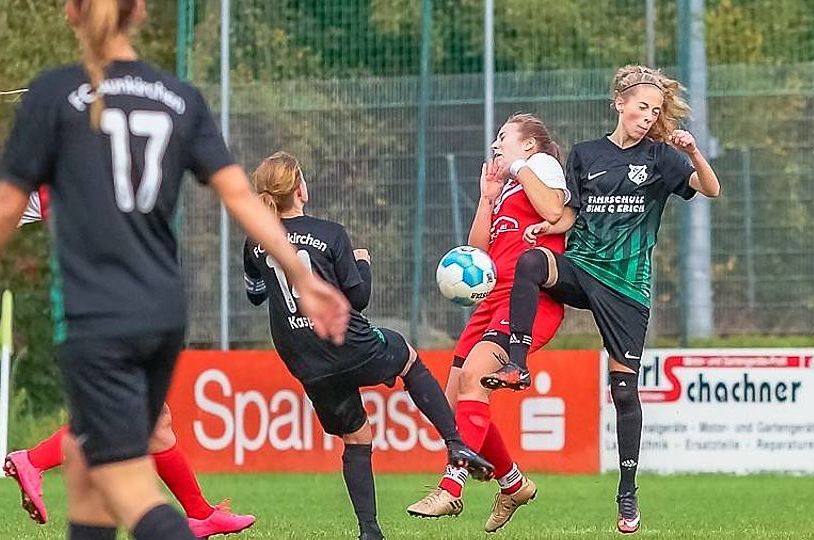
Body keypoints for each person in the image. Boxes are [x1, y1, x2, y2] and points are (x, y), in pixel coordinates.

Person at [0, 2, 350, 539]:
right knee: (109, 459)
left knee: (112, 476)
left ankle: (169, 513)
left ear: (71, 13)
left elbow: (1, 205)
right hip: (162, 311)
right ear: (140, 13)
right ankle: (198, 513)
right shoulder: (179, 98)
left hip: (96, 314)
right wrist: (303, 277)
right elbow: (240, 196)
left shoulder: (55, 95)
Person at [0, 116, 255, 536]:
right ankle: (33, 461)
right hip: (113, 308)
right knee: (121, 414)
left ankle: (199, 513)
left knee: (154, 419)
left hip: (95, 307)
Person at [484, 64, 721, 534]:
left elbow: (711, 189)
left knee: (624, 391)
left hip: (626, 287)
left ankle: (627, 493)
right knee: (532, 262)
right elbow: (571, 213)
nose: (648, 117)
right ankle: (516, 364)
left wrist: (694, 153)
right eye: (642, 107)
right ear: (619, 104)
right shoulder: (586, 154)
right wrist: (547, 226)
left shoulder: (661, 157)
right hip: (583, 267)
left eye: (655, 111)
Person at [243, 151, 494, 540]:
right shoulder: (329, 234)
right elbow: (358, 299)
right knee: (407, 357)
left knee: (357, 437)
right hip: (348, 342)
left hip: (304, 358)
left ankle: (370, 531)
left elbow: (255, 294)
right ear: (300, 189)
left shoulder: (255, 241)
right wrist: (363, 263)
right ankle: (456, 445)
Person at [407, 114, 570, 533]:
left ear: (529, 143)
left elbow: (555, 209)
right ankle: (513, 484)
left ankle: (450, 488)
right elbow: (478, 253)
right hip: (492, 299)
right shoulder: (509, 186)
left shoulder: (542, 166)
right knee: (450, 405)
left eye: (503, 136)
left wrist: (519, 167)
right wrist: (487, 198)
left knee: (474, 377)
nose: (495, 144)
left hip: (528, 299)